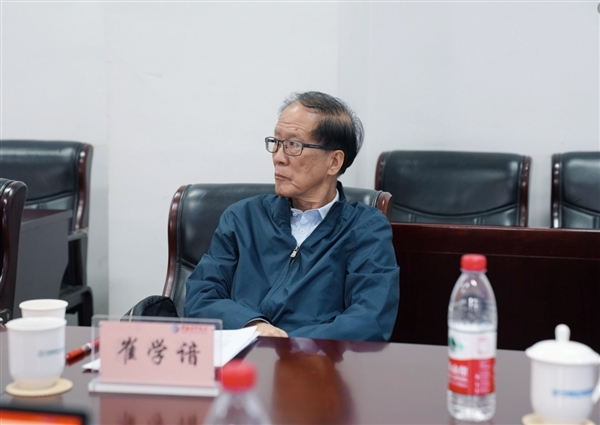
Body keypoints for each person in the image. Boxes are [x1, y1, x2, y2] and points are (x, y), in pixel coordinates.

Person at [184, 91, 399, 341]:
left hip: (316, 362)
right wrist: (252, 325)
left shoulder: (365, 229)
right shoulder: (242, 218)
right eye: (276, 142)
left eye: (293, 145)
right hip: (241, 357)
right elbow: (200, 297)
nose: (278, 157)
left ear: (334, 162)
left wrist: (288, 344)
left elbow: (369, 320)